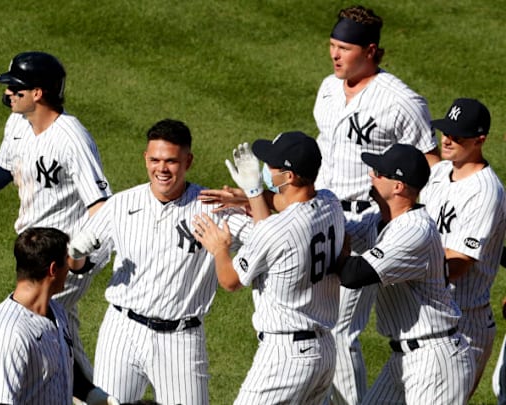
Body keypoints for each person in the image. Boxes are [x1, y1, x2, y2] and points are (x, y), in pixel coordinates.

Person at [0, 51, 112, 380]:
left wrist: (80, 259)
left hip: (61, 257)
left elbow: (101, 207)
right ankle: (89, 395)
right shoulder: (18, 122)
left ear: (38, 93)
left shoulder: (72, 139)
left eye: (15, 87)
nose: (7, 93)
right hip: (31, 249)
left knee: (29, 322)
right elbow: (4, 167)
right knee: (58, 330)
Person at [68, 119, 251, 405]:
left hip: (180, 339)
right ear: (145, 158)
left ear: (188, 161)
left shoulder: (214, 207)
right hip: (122, 331)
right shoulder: (121, 204)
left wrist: (255, 199)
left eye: (171, 161)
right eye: (155, 160)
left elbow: (272, 237)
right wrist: (75, 255)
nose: (162, 169)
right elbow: (81, 267)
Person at [313, 6, 440, 403]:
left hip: (368, 222)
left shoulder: (401, 102)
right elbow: (325, 147)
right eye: (332, 45)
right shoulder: (329, 88)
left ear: (371, 51)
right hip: (325, 216)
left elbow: (430, 168)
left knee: (340, 330)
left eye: (344, 48)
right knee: (317, 322)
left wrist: (417, 231)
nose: (335, 55)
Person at [193, 132, 344, 404]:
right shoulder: (330, 203)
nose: (267, 168)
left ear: (289, 177)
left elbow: (231, 280)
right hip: (324, 352)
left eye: (273, 165)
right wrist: (250, 194)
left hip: (285, 356)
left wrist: (219, 248)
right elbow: (285, 208)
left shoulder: (276, 231)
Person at [337, 144, 474, 404]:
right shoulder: (379, 220)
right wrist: (254, 198)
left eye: (378, 172)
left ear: (398, 186)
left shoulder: (414, 231)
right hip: (404, 360)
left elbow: (353, 275)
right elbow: (333, 228)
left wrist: (340, 245)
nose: (370, 175)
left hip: (435, 363)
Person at [0, 227, 118, 405]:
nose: (70, 270)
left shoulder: (56, 311)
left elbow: (61, 364)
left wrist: (93, 395)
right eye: (66, 261)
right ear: (53, 269)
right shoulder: (9, 333)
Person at [420, 98, 506, 397]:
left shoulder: (486, 192)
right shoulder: (440, 173)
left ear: (480, 140)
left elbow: (459, 262)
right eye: (446, 132)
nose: (448, 139)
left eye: (458, 136)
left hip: (465, 326)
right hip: (431, 315)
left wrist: (405, 265)